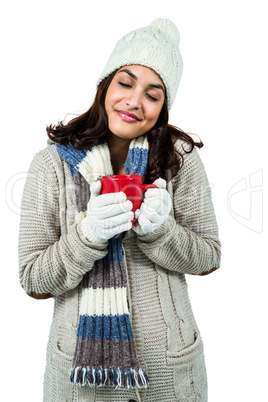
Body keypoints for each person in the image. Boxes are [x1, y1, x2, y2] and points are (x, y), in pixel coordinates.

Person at [18, 18, 221, 402]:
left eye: (152, 94)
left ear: (163, 107)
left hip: (170, 374)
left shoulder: (180, 160)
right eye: (125, 83)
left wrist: (162, 231)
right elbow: (32, 279)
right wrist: (87, 236)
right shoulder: (50, 166)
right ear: (105, 86)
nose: (133, 101)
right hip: (80, 379)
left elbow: (209, 255)